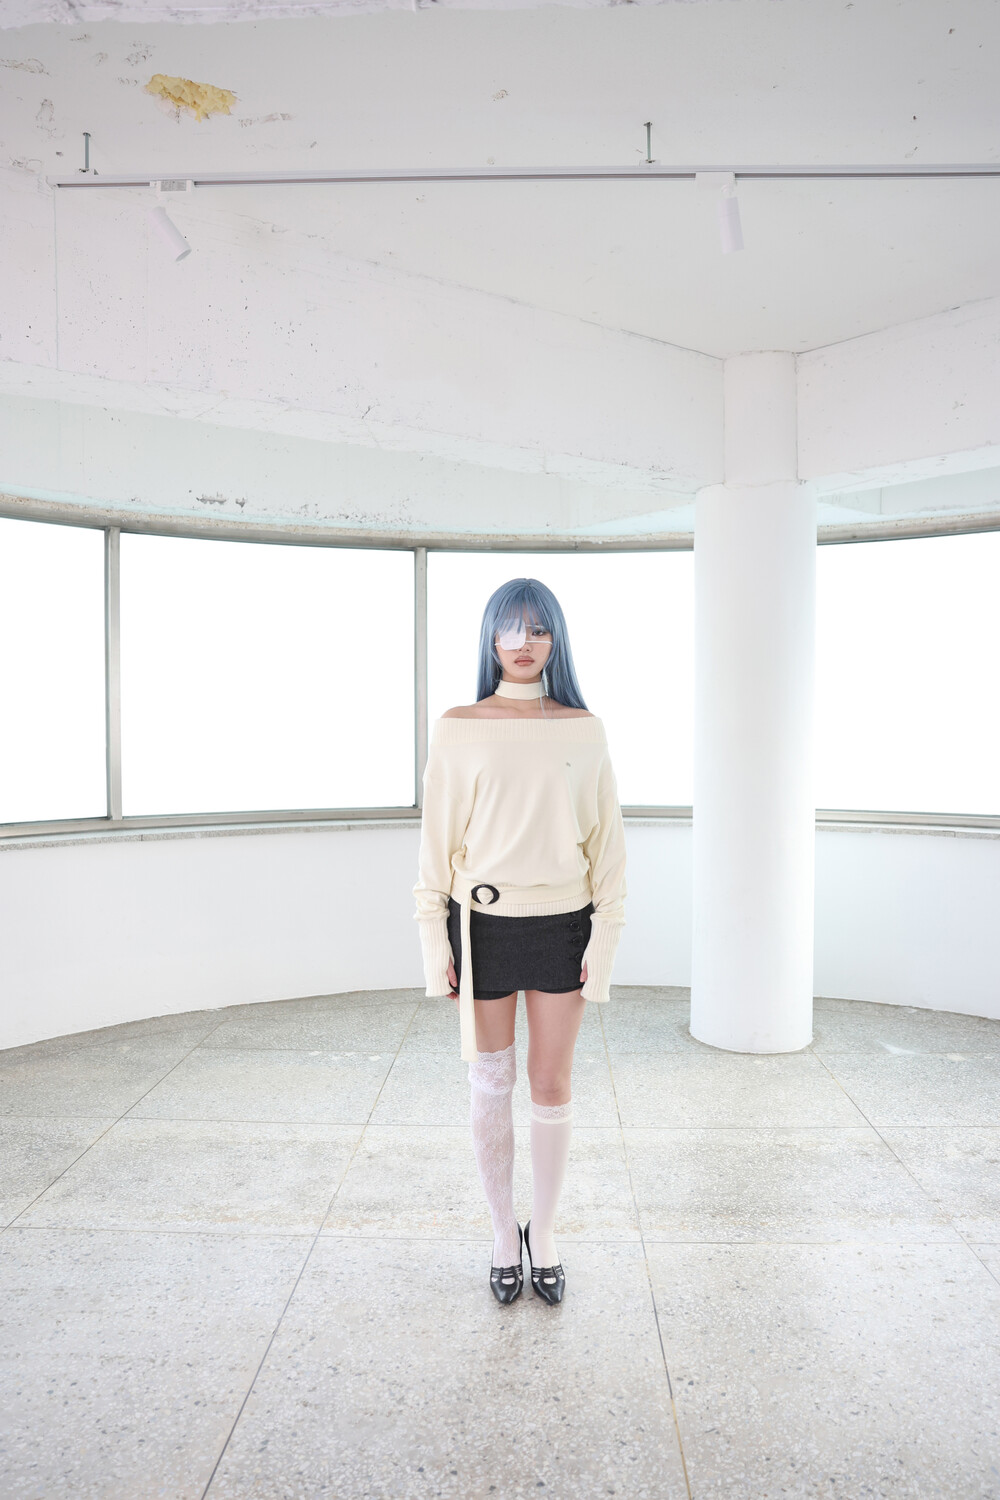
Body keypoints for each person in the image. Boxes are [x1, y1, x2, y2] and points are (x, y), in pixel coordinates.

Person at [413, 577, 627, 1306]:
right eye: (511, 628)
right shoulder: (459, 725)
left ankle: (548, 1232)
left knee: (551, 1084)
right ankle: (504, 1234)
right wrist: (433, 940)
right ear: (490, 637)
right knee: (491, 1082)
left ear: (555, 639)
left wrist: (604, 936)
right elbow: (435, 843)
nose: (523, 642)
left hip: (564, 924)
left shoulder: (584, 728)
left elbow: (608, 846)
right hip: (482, 927)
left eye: (538, 629)